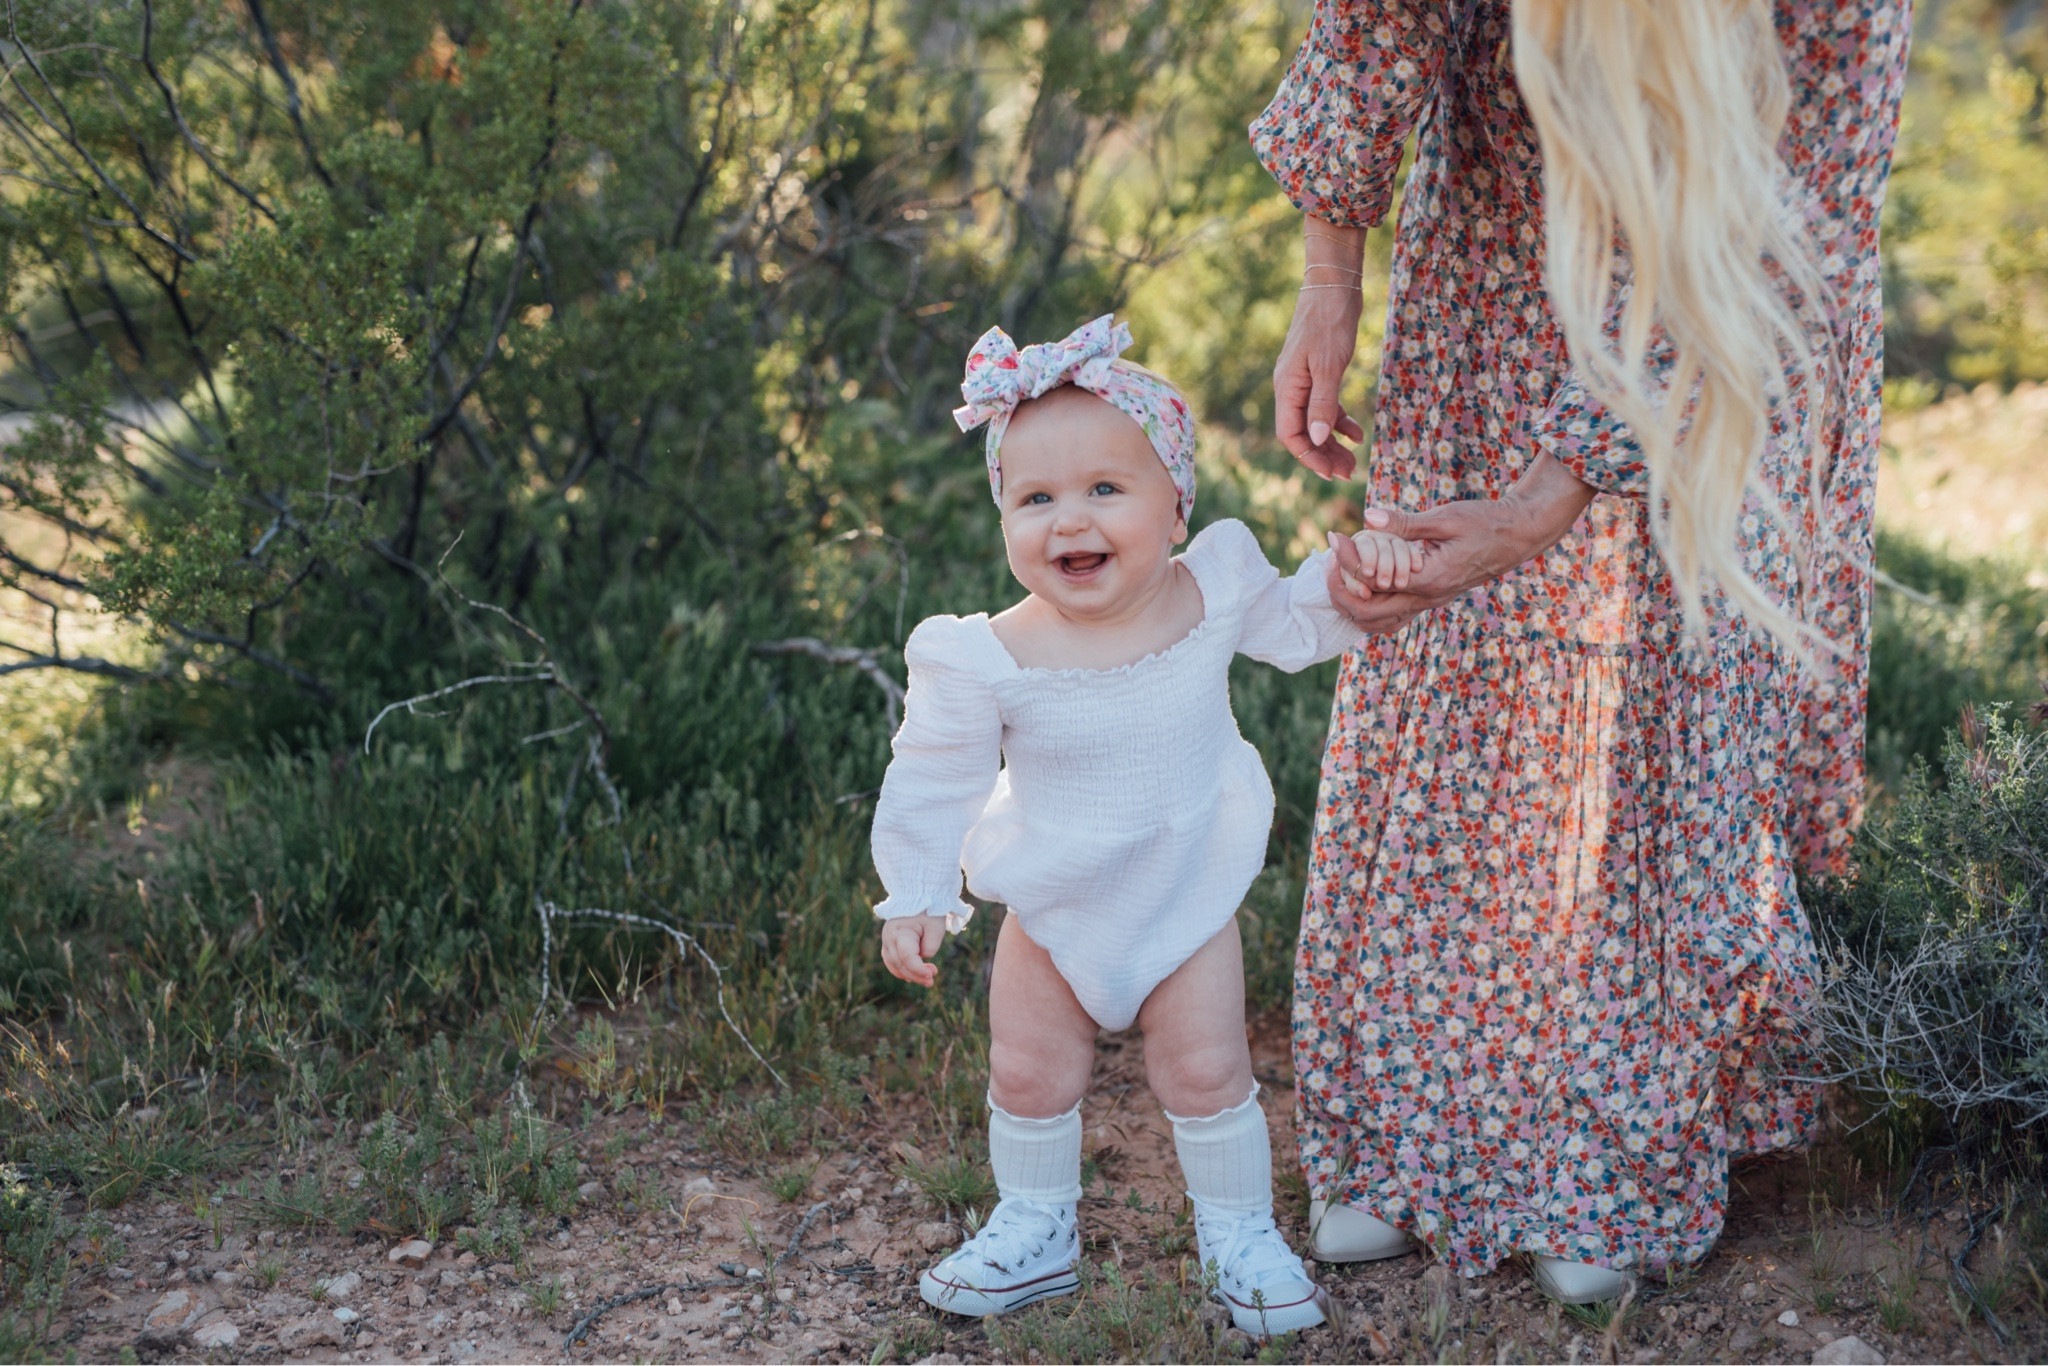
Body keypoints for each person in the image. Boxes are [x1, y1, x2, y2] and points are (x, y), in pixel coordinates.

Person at [1250, 0, 1910, 1303]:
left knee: (1670, 683)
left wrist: (1541, 502)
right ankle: (1411, 1117)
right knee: (1464, 668)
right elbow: (1371, 27)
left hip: (1724, 303)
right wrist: (1329, 280)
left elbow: (1793, 231)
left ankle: (1605, 1147)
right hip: (1499, 226)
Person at [869, 315, 1417, 1335]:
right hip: (1052, 900)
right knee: (1028, 1070)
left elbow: (1301, 625)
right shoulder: (986, 654)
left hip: (1182, 895)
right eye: (1034, 499)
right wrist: (915, 888)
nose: (1068, 520)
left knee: (1206, 1069)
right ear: (1002, 517)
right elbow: (934, 773)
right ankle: (1034, 1227)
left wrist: (1362, 583)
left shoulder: (1209, 592)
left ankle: (1239, 1233)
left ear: (1175, 507)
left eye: (1103, 490)